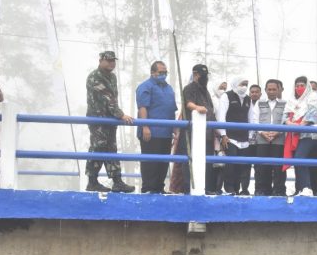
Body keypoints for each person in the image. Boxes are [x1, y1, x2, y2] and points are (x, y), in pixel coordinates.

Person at [85, 51, 135, 193]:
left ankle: (117, 181)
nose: (112, 63)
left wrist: (116, 116)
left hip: (110, 120)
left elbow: (113, 98)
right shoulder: (94, 77)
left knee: (111, 149)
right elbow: (107, 98)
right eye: (108, 60)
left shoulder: (112, 77)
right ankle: (92, 182)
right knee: (98, 148)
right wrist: (121, 115)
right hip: (98, 120)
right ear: (100, 60)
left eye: (113, 60)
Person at [177, 64, 221, 195]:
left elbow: (211, 109)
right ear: (196, 74)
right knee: (189, 161)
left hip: (207, 133)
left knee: (206, 161)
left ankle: (205, 188)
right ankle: (188, 188)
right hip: (192, 133)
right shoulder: (189, 88)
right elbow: (188, 103)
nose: (205, 78)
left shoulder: (205, 90)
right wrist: (197, 108)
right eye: (203, 75)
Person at [135, 61, 177, 194]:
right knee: (150, 161)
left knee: (163, 162)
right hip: (151, 132)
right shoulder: (145, 86)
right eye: (160, 72)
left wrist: (175, 129)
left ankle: (159, 187)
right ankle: (148, 188)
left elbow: (172, 109)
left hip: (166, 132)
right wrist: (145, 127)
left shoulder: (169, 88)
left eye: (165, 72)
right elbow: (142, 108)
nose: (163, 74)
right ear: (153, 72)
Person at [283, 76, 317, 196]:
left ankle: (306, 188)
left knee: (300, 157)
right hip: (293, 134)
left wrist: (299, 125)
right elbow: (284, 117)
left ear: (307, 86)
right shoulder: (292, 100)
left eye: (302, 85)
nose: (299, 88)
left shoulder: (313, 96)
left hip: (307, 134)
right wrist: (290, 124)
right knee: (296, 160)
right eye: (297, 85)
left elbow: (312, 114)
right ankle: (299, 188)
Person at [217, 77, 251, 195]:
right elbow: (221, 116)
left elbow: (250, 118)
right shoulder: (227, 96)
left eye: (246, 84)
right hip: (230, 137)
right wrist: (223, 135)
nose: (244, 86)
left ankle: (238, 189)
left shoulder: (248, 99)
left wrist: (250, 135)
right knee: (230, 164)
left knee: (242, 166)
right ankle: (228, 188)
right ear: (236, 84)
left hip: (244, 139)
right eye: (242, 84)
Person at [255, 79, 287, 195]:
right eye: (269, 89)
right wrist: (262, 132)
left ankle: (279, 191)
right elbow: (254, 119)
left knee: (278, 167)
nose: (272, 91)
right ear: (265, 90)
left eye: (274, 89)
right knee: (262, 167)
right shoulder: (259, 103)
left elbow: (286, 120)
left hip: (279, 139)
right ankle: (262, 190)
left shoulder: (285, 104)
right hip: (262, 138)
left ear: (279, 90)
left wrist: (277, 132)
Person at [241, 84, 262, 194]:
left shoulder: (264, 104)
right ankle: (244, 189)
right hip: (246, 140)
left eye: (256, 92)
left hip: (260, 140)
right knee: (245, 166)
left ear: (260, 94)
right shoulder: (245, 103)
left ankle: (258, 189)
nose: (254, 94)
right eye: (252, 92)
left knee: (259, 166)